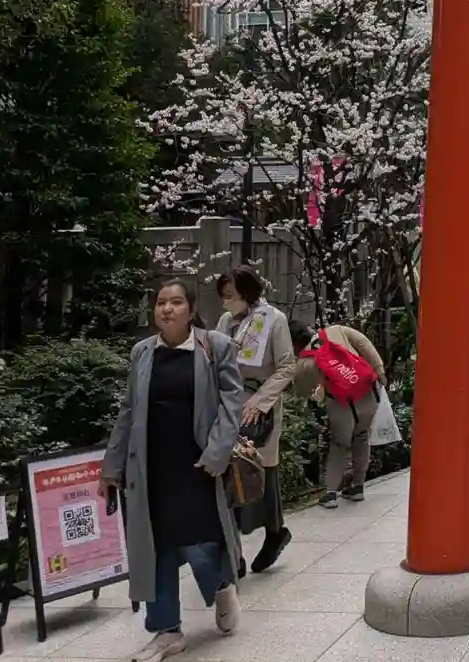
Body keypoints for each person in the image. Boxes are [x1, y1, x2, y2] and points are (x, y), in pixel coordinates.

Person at [101, 281, 244, 662]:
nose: (167, 309)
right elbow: (129, 410)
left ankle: (221, 585)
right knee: (158, 548)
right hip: (152, 467)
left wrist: (217, 454)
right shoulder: (142, 352)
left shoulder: (215, 347)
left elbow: (232, 404)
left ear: (191, 310)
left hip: (199, 466)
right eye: (161, 302)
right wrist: (112, 466)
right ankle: (166, 630)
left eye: (176, 302)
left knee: (200, 545)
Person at [215, 268, 295, 576]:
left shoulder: (274, 320)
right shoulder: (226, 321)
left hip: (260, 405)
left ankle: (274, 531)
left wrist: (260, 401)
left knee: (260, 471)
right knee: (227, 472)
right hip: (229, 402)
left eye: (230, 296)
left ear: (247, 294)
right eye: (223, 296)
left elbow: (287, 366)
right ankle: (232, 550)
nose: (225, 303)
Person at [291, 319, 384, 506]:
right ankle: (357, 487)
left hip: (341, 404)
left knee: (339, 445)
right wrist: (379, 370)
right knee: (361, 436)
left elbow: (303, 391)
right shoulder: (336, 330)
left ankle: (331, 494)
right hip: (368, 390)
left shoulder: (303, 364)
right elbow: (364, 344)